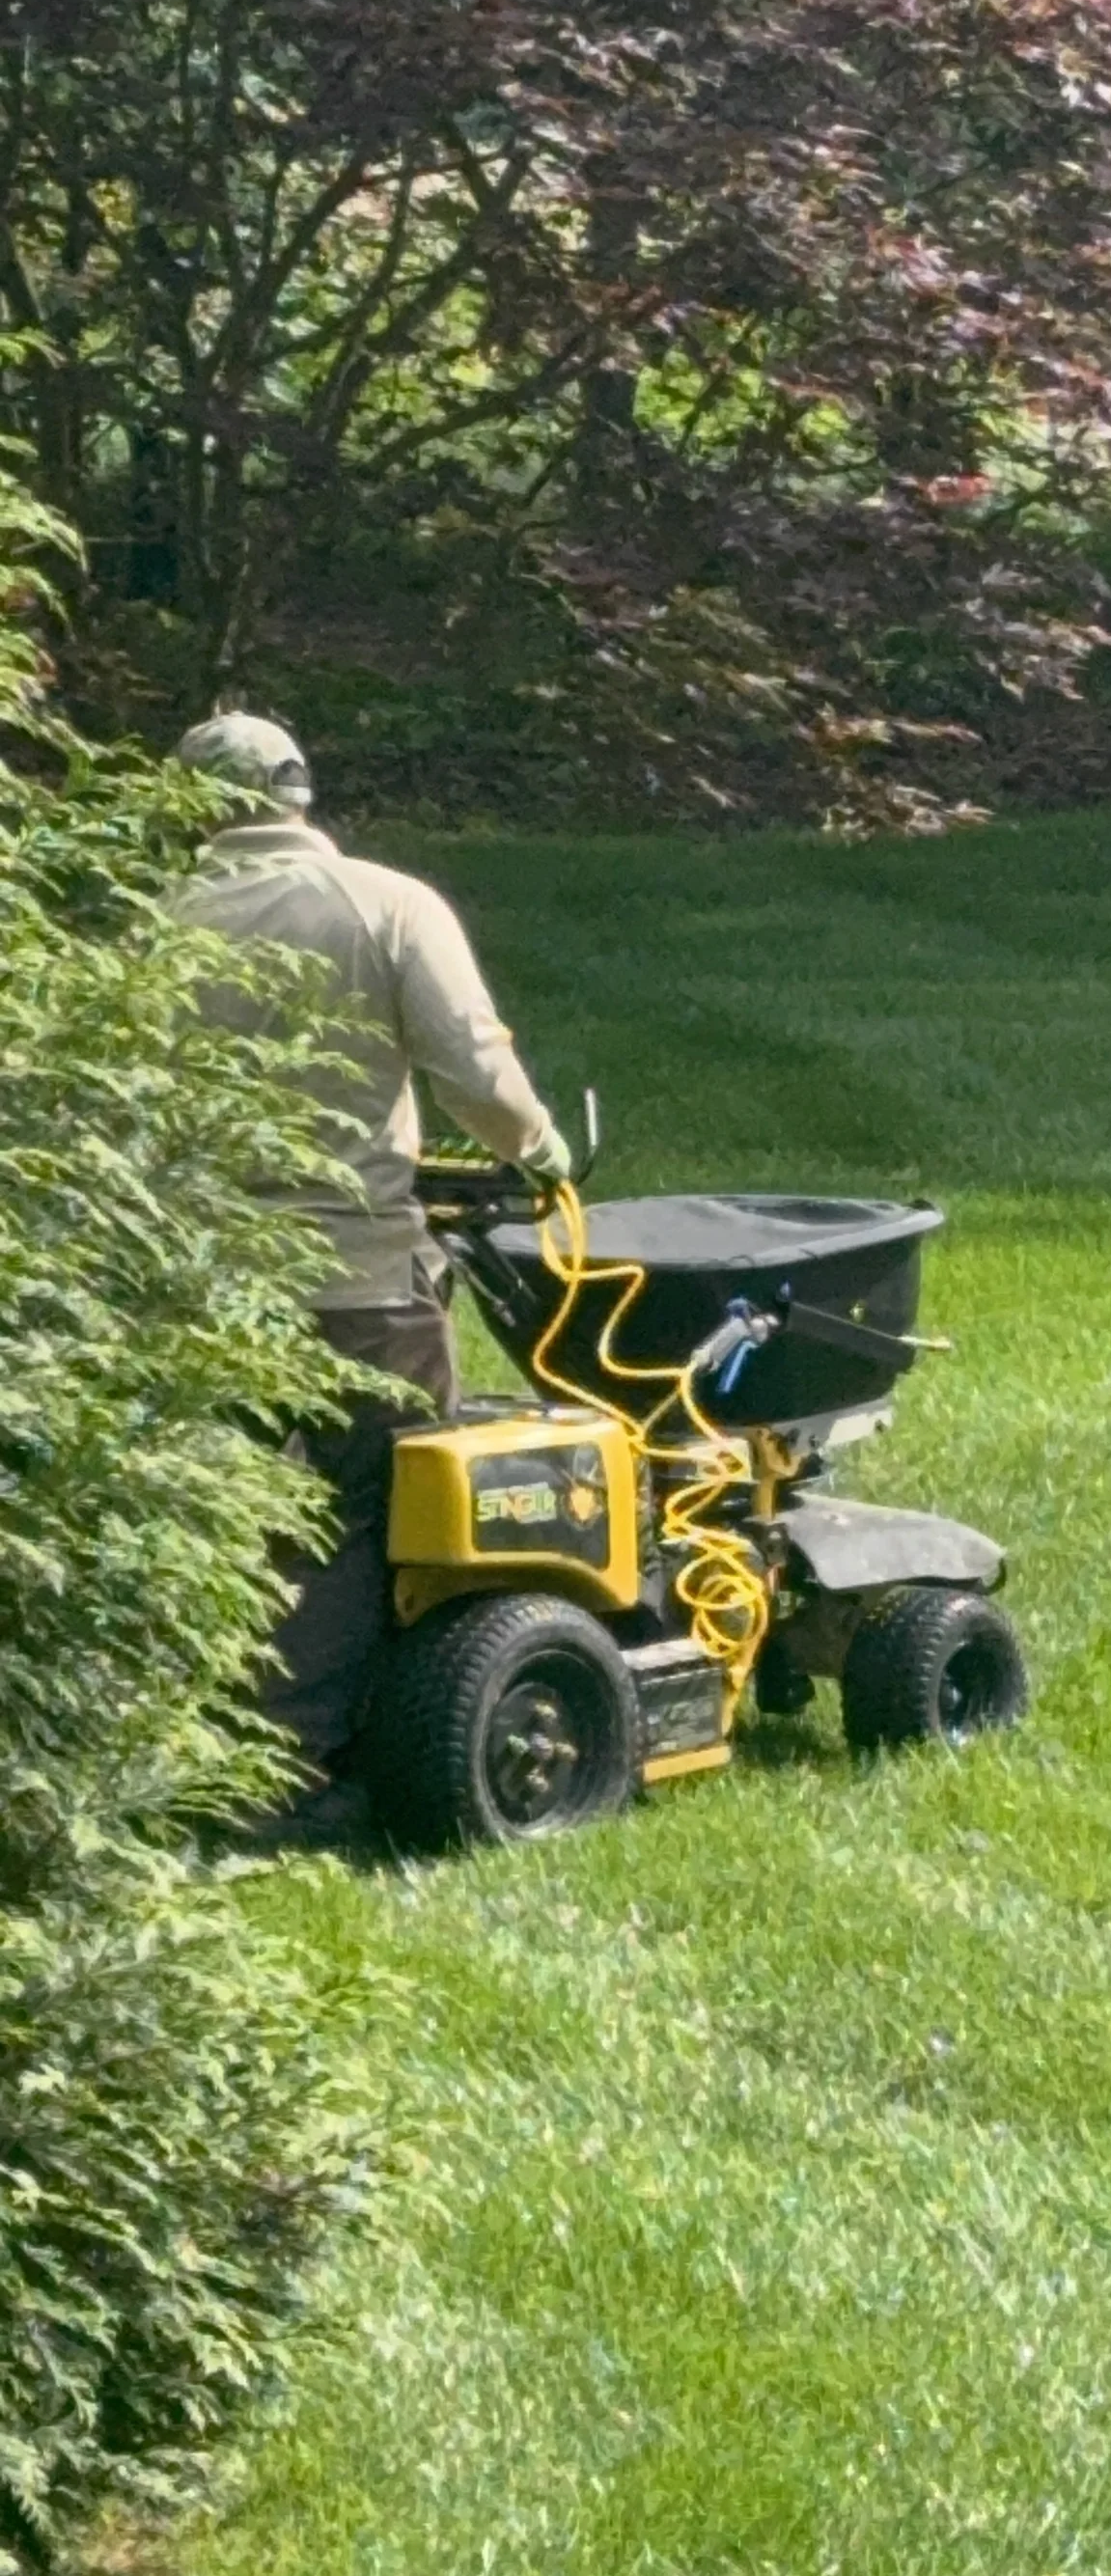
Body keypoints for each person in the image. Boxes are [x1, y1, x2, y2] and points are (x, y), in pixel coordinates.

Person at [171, 712, 570, 1846]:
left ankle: (185, 1752)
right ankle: (300, 1776)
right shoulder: (386, 904)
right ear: (300, 793)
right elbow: (477, 1076)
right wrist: (538, 1152)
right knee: (369, 1511)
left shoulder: (157, 927)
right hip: (357, 1283)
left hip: (196, 1283)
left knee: (215, 1513)